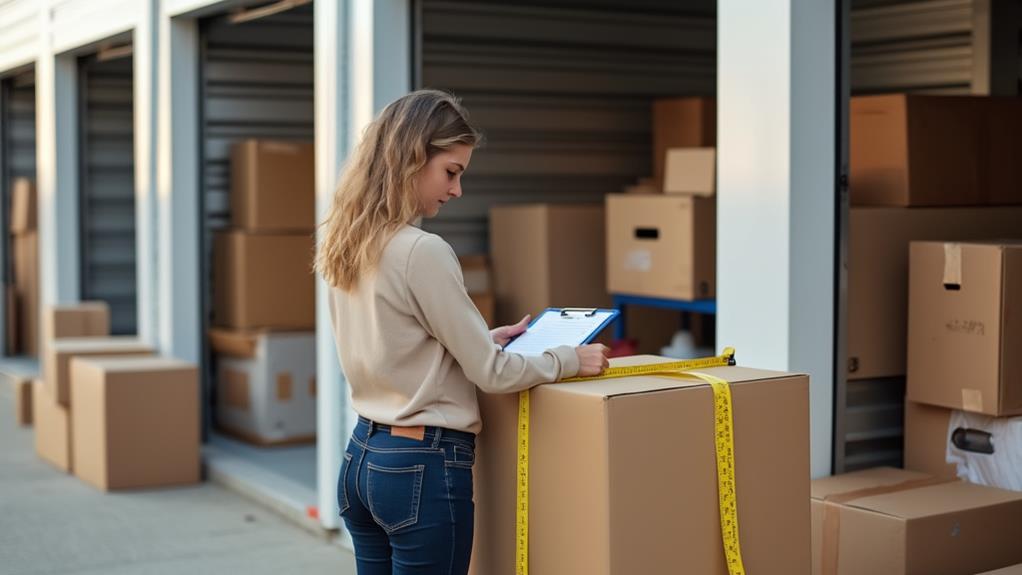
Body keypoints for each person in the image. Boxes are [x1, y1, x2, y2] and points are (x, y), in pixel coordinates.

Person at [314, 89, 609, 574]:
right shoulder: (420, 250)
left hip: (363, 459)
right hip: (420, 467)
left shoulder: (348, 241)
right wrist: (570, 360)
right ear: (410, 157)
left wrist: (479, 337)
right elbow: (492, 376)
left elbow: (392, 342)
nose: (456, 191)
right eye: (451, 171)